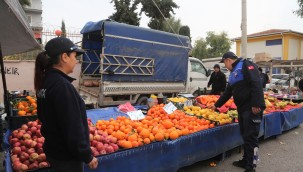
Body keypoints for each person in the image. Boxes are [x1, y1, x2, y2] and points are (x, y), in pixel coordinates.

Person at [34, 37, 98, 172]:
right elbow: (72, 127)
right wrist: (87, 155)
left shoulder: (46, 81)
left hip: (54, 151)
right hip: (67, 157)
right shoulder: (62, 86)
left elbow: (42, 116)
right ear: (64, 57)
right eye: (75, 56)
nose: (76, 60)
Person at [210, 51, 265, 172]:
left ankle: (251, 166)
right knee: (245, 136)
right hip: (242, 109)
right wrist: (216, 105)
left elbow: (256, 83)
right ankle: (246, 161)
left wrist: (256, 103)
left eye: (224, 63)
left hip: (252, 107)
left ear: (228, 60)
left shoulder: (245, 65)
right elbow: (227, 93)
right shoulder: (233, 74)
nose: (225, 66)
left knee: (251, 137)